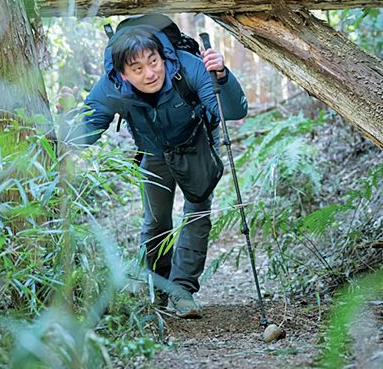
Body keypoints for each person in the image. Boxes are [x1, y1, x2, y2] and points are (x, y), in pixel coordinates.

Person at [61, 21, 247, 318]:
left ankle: (182, 290)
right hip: (153, 150)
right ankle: (159, 286)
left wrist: (222, 76)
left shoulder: (188, 67)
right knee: (156, 221)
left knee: (197, 213)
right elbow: (86, 128)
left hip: (196, 143)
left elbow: (233, 111)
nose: (150, 73)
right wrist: (58, 130)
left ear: (163, 56)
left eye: (153, 62)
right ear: (123, 73)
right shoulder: (112, 86)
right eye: (137, 68)